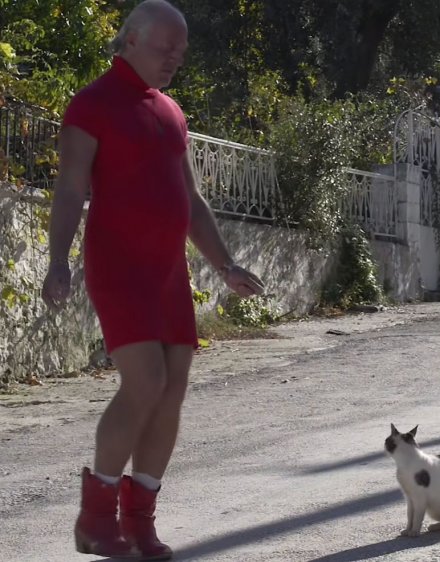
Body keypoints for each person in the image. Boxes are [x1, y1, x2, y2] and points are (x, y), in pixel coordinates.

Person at [40, 1, 265, 559]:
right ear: (132, 39)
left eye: (181, 52)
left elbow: (190, 199)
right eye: (167, 48)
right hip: (118, 266)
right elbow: (70, 189)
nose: (175, 59)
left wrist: (225, 264)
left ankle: (138, 521)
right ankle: (95, 520)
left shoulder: (171, 112)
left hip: (169, 271)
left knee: (173, 387)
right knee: (143, 383)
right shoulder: (91, 104)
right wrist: (57, 260)